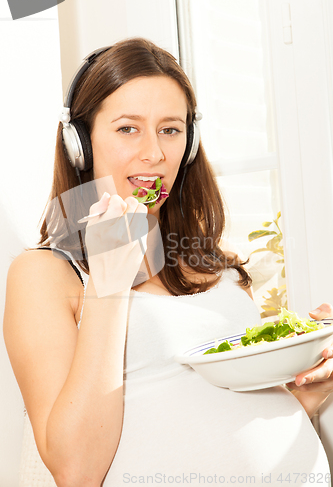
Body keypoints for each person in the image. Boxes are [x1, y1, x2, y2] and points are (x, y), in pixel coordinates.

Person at [3, 38, 333, 487]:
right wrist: (110, 284)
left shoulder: (211, 261)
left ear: (190, 142)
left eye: (170, 129)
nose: (154, 154)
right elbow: (75, 470)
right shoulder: (44, 273)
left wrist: (304, 396)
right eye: (127, 129)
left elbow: (214, 410)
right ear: (80, 143)